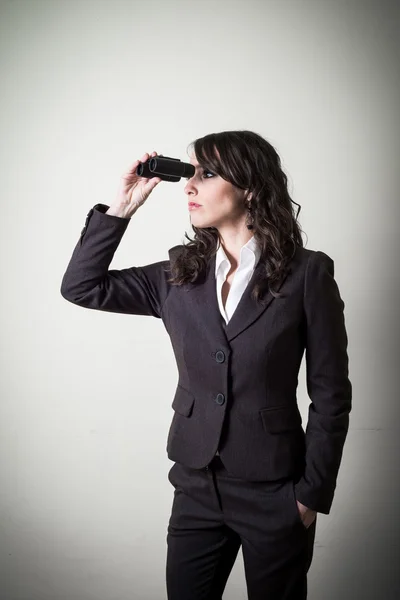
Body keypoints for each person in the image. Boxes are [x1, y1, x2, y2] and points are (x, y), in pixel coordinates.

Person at [60, 130, 352, 599]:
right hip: (196, 486)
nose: (189, 186)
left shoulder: (307, 274)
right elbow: (82, 287)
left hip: (276, 490)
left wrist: (309, 496)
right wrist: (122, 207)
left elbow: (331, 393)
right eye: (189, 173)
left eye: (207, 174)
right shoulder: (179, 274)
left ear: (250, 187)